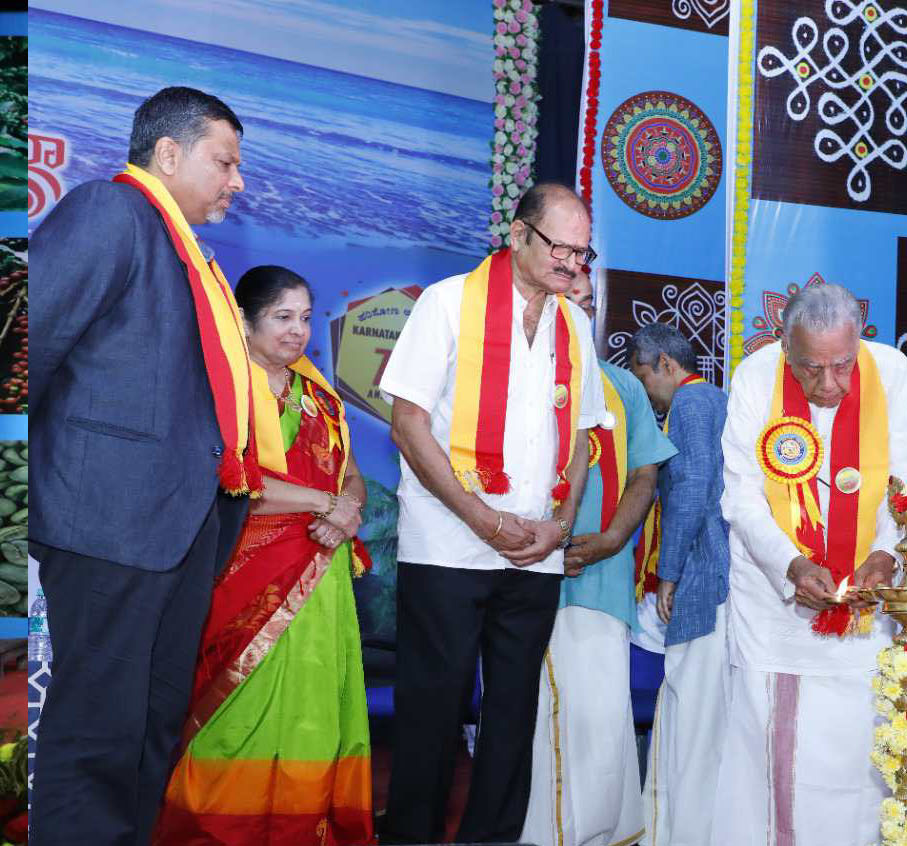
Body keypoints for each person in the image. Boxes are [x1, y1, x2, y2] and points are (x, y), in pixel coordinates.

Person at [30, 86, 255, 846]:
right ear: (167, 153)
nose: (237, 182)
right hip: (105, 518)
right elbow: (26, 345)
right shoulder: (110, 212)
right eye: (225, 162)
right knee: (98, 730)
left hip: (176, 526)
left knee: (151, 726)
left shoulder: (182, 246)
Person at [378, 182, 609, 844]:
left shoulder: (574, 326)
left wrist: (560, 525)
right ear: (517, 235)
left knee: (513, 716)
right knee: (432, 712)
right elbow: (408, 424)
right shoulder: (448, 302)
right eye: (561, 248)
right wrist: (480, 518)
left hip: (535, 552)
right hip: (448, 545)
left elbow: (581, 439)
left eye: (582, 253)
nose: (572, 264)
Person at [154, 266, 373, 845]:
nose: (298, 330)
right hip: (247, 572)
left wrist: (348, 510)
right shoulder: (224, 391)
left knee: (314, 706)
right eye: (282, 317)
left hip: (323, 574)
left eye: (305, 318)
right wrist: (326, 503)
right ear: (245, 323)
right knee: (240, 708)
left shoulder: (318, 396)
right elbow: (229, 480)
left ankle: (303, 824)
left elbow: (352, 474)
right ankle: (224, 828)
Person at [714, 282, 907, 846]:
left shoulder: (892, 371)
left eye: (842, 366)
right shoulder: (756, 376)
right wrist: (790, 565)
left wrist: (885, 551)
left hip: (864, 606)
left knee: (859, 755)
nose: (829, 384)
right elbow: (741, 496)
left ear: (860, 343)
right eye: (811, 369)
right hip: (774, 608)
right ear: (785, 348)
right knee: (773, 754)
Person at [522, 277, 676, 846]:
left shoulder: (621, 385)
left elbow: (645, 473)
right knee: (532, 719)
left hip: (601, 578)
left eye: (586, 304)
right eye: (566, 303)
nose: (578, 312)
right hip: (522, 573)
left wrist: (612, 538)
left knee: (600, 717)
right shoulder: (514, 377)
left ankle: (602, 835)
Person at [626, 323, 731, 846]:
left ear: (666, 364)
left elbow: (690, 488)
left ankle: (686, 832)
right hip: (713, 570)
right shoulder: (712, 398)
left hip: (702, 571)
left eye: (644, 377)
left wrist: (668, 572)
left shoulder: (691, 403)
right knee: (698, 708)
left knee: (693, 709)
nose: (645, 392)